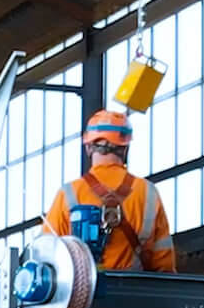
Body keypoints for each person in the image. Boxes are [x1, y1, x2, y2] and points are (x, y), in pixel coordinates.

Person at [41, 110, 178, 272]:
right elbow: (164, 263)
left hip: (85, 294)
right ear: (125, 148)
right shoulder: (147, 192)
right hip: (135, 292)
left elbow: (46, 255)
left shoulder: (69, 193)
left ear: (88, 147)